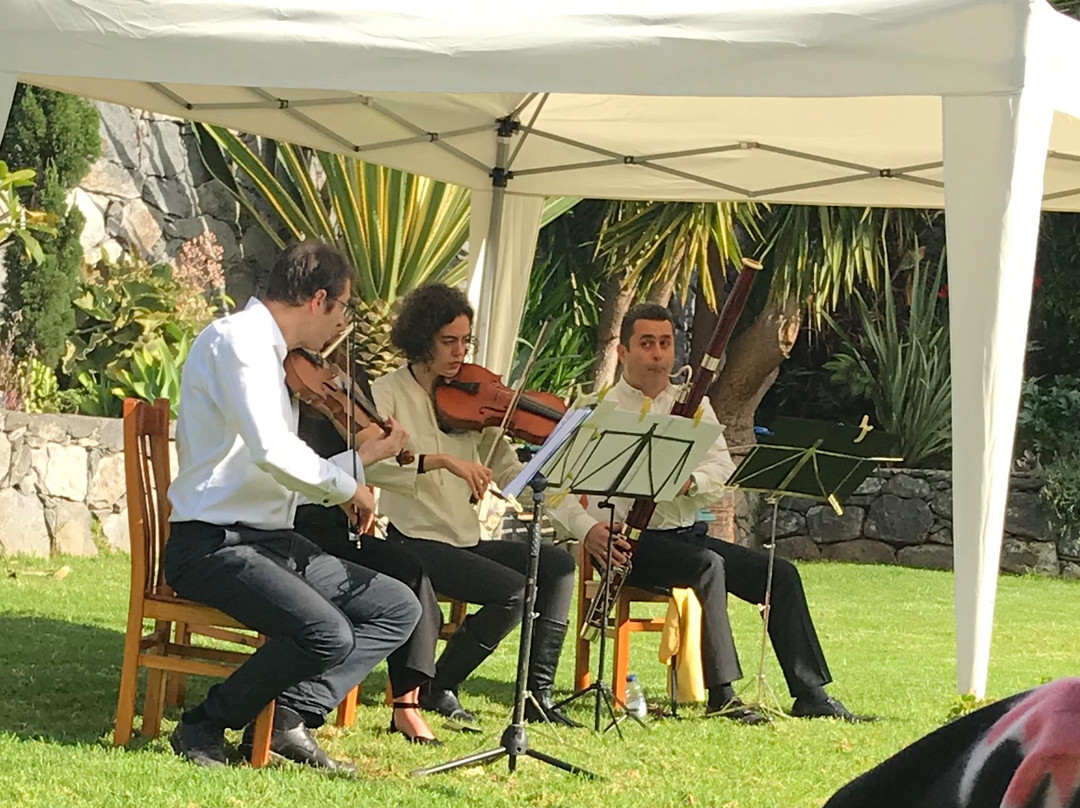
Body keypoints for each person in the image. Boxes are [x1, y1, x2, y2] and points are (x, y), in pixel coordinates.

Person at [547, 302, 872, 725]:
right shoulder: (597, 410)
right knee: (709, 566)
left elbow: (720, 468)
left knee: (780, 573)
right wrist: (589, 531)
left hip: (684, 536)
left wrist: (690, 483)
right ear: (624, 352)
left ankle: (809, 692)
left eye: (665, 344)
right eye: (646, 344)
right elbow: (556, 487)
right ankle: (723, 694)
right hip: (629, 543)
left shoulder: (692, 405)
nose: (658, 354)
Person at [164, 241, 422, 769]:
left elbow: (281, 466)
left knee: (397, 607)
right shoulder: (236, 343)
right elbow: (273, 453)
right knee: (326, 632)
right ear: (319, 300)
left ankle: (287, 717)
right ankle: (202, 726)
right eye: (344, 309)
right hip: (213, 544)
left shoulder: (273, 356)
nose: (342, 324)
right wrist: (349, 488)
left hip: (267, 540)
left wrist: (359, 462)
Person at [364, 283, 580, 729]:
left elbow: (504, 467)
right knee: (515, 592)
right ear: (422, 338)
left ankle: (538, 693)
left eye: (465, 341)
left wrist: (546, 477)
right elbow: (371, 469)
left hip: (465, 538)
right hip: (415, 540)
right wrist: (439, 463)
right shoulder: (385, 394)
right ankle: (439, 684)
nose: (460, 352)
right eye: (449, 341)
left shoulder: (471, 396)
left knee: (557, 566)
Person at [294, 404, 443, 746]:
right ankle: (300, 698)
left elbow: (366, 462)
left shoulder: (338, 395)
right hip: (293, 527)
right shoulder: (276, 394)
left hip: (336, 522)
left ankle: (407, 704)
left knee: (410, 571)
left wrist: (355, 481)